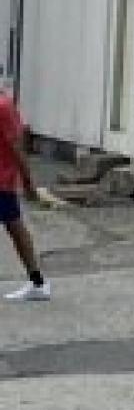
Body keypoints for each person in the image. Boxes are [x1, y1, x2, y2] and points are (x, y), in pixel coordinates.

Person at [0, 83, 49, 302]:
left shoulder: (3, 106)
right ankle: (38, 282)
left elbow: (17, 146)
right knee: (16, 228)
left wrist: (28, 182)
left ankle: (38, 283)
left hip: (1, 181)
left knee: (16, 229)